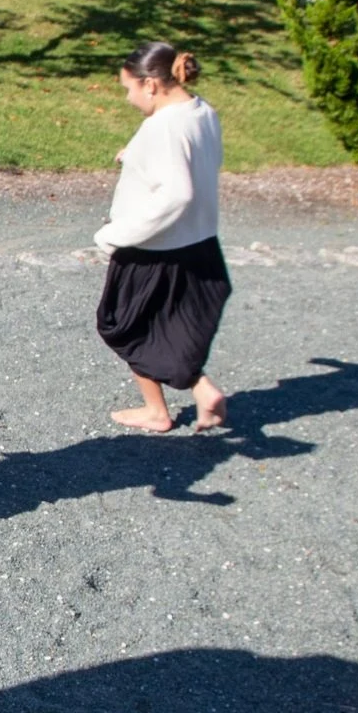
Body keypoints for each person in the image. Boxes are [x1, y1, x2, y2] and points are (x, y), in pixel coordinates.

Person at [93, 41, 230, 433]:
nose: (128, 97)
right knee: (167, 326)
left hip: (152, 247)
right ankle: (197, 389)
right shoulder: (201, 112)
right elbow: (197, 159)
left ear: (151, 84)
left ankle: (165, 406)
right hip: (199, 242)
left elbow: (177, 193)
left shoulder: (163, 127)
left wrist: (115, 235)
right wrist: (134, 153)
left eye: (129, 88)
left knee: (122, 325)